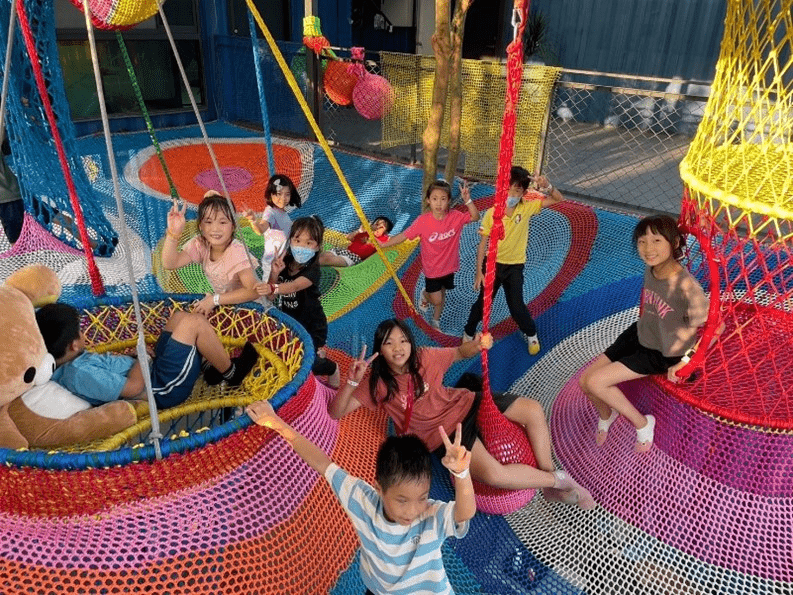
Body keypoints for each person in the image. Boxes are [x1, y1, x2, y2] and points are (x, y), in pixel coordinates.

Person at [330, 318, 595, 509]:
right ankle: (557, 480)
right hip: (443, 435)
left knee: (533, 410)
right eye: (389, 343)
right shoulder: (377, 383)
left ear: (411, 343)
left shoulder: (424, 357)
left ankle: (549, 486)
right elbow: (335, 412)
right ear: (380, 349)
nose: (398, 348)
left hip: (465, 403)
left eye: (402, 340)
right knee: (494, 475)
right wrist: (352, 381)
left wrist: (478, 344)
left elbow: (459, 352)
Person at [245, 398, 475, 595]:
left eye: (422, 497)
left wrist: (462, 473)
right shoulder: (361, 499)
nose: (413, 510)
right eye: (402, 500)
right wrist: (276, 423)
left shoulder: (431, 516)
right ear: (378, 488)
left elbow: (465, 512)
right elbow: (321, 462)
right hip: (378, 589)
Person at [578, 214, 709, 452]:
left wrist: (687, 361)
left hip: (662, 351)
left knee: (596, 382)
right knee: (585, 382)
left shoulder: (688, 288)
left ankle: (643, 423)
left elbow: (713, 328)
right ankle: (607, 414)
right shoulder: (653, 268)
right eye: (642, 241)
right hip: (639, 333)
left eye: (657, 240)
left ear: (675, 243)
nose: (648, 248)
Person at [36, 303, 259, 409]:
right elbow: (132, 388)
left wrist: (138, 359)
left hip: (150, 370)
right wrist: (142, 358)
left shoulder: (74, 361)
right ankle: (231, 373)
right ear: (74, 344)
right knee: (195, 323)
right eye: (80, 330)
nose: (84, 333)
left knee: (179, 317)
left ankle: (210, 369)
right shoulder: (78, 374)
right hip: (162, 389)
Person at [462, 166, 563, 355]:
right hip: (492, 265)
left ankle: (531, 334)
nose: (512, 193)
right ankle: (468, 332)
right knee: (483, 303)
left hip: (515, 267)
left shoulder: (527, 208)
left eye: (517, 190)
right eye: (509, 188)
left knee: (516, 305)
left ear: (524, 192)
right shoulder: (493, 213)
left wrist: (547, 185)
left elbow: (559, 199)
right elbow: (482, 244)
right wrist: (479, 271)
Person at [379, 180, 479, 330]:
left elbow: (475, 217)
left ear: (449, 201)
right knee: (436, 299)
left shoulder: (455, 216)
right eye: (434, 199)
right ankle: (425, 295)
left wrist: (468, 201)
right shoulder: (423, 221)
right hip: (432, 270)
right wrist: (386, 243)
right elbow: (405, 235)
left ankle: (435, 321)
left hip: (450, 267)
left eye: (443, 199)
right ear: (428, 200)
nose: (439, 203)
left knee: (442, 295)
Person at [256, 215, 340, 388]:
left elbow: (293, 286)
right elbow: (271, 297)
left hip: (312, 325)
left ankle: (331, 368)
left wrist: (273, 288)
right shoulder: (284, 261)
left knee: (306, 362)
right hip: (291, 322)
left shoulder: (313, 270)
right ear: (291, 240)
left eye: (308, 243)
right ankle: (318, 355)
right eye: (297, 240)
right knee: (288, 356)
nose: (301, 246)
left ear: (317, 247)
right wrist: (273, 274)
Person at [163, 191, 259, 316]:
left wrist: (214, 299)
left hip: (254, 313)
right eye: (208, 222)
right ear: (201, 226)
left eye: (223, 222)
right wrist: (173, 233)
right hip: (227, 309)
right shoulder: (201, 244)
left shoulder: (237, 251)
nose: (215, 229)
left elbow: (253, 292)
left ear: (233, 226)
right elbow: (170, 263)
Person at [243, 174, 302, 280]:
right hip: (271, 263)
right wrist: (252, 220)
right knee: (268, 291)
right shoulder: (270, 212)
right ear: (271, 194)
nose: (283, 198)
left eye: (287, 194)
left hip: (282, 261)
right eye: (279, 194)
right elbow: (260, 229)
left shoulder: (283, 212)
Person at [326, 215, 394, 266]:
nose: (377, 228)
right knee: (323, 257)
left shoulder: (384, 239)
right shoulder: (365, 233)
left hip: (354, 258)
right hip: (344, 251)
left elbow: (389, 243)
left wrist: (372, 238)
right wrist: (359, 231)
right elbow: (349, 237)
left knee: (328, 260)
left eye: (381, 227)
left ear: (386, 232)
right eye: (376, 224)